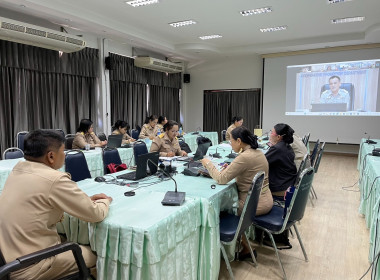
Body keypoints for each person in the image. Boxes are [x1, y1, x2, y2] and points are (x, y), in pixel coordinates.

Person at [0, 130, 112, 280]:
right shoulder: (54, 179)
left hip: (8, 262)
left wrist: (82, 201)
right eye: (63, 151)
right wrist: (106, 200)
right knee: (101, 256)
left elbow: (40, 204)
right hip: (32, 265)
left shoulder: (17, 170)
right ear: (51, 156)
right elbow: (95, 214)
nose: (65, 155)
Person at [201, 126, 272, 260]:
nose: (230, 144)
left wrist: (207, 163)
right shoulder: (257, 152)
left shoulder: (245, 157)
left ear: (239, 141)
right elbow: (247, 171)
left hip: (253, 206)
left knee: (217, 209)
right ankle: (244, 245)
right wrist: (232, 168)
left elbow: (221, 179)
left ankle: (237, 249)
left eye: (231, 141)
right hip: (265, 199)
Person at [265, 123, 297, 197]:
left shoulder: (277, 148)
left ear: (278, 137)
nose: (270, 134)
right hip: (288, 182)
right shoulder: (286, 146)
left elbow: (262, 162)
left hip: (280, 187)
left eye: (272, 132)